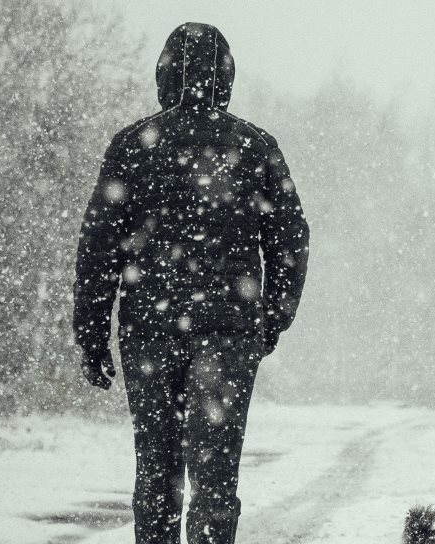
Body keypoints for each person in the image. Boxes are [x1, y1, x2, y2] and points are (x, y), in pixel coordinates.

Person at [73, 23, 309, 544]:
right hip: (227, 336)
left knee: (155, 474)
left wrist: (91, 334)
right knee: (215, 479)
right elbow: (291, 241)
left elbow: (98, 248)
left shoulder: (133, 146)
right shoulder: (256, 147)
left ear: (163, 76)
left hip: (148, 333)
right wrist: (269, 319)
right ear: (225, 79)